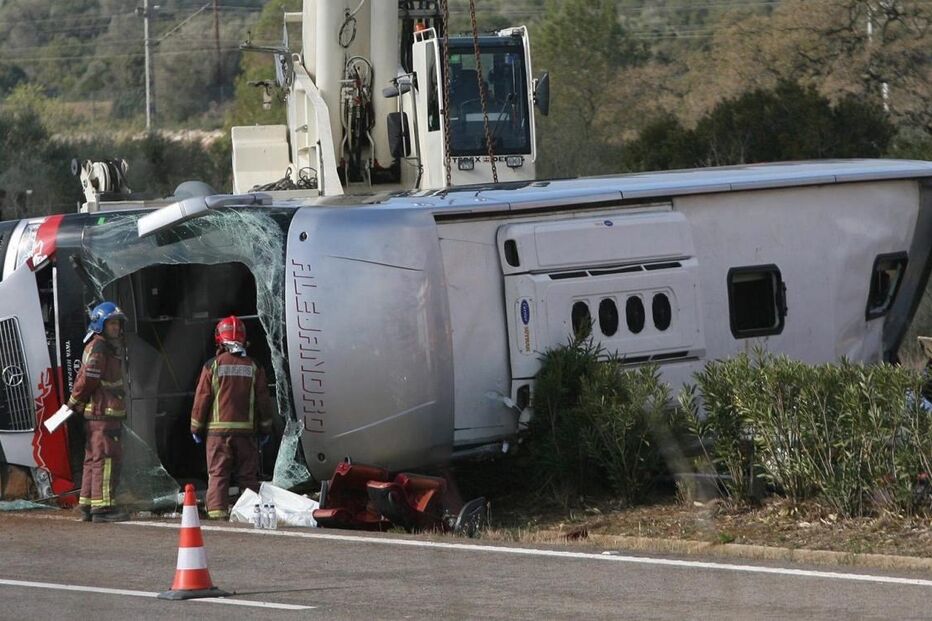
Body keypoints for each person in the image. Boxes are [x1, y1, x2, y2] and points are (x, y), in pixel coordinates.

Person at [190, 315, 275, 519]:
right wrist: (265, 428)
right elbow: (264, 401)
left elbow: (202, 398)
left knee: (218, 475)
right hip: (246, 433)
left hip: (218, 434)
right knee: (247, 476)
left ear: (219, 339)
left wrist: (196, 428)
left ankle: (217, 514)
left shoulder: (213, 365)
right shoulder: (254, 366)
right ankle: (250, 514)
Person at [68, 301, 130, 523]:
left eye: (117, 324)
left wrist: (75, 401)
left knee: (93, 459)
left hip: (98, 414)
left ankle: (87, 504)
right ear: (100, 324)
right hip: (104, 413)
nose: (116, 328)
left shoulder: (97, 346)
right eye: (111, 323)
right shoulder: (101, 348)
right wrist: (75, 399)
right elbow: (89, 378)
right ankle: (103, 508)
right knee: (106, 459)